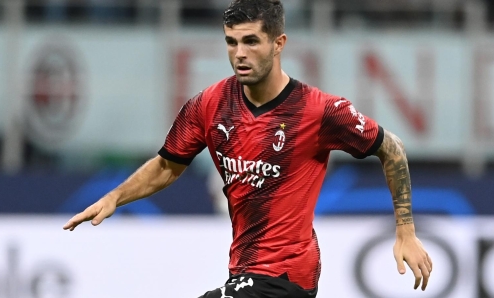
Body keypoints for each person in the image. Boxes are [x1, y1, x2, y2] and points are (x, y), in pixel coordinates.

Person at [63, 0, 433, 297]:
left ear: (278, 43)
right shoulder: (209, 105)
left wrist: (405, 230)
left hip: (287, 275)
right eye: (231, 41)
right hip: (243, 271)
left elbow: (392, 149)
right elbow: (167, 165)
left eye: (251, 41)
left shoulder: (318, 111)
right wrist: (116, 197)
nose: (239, 53)